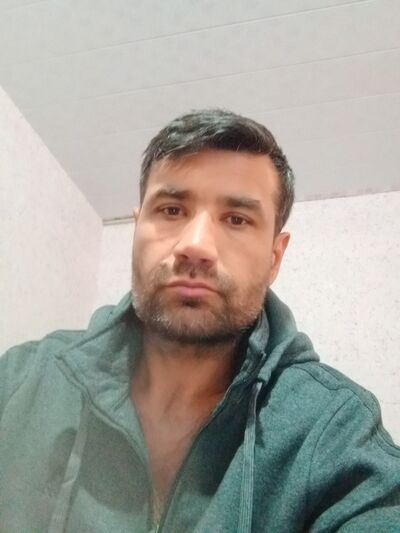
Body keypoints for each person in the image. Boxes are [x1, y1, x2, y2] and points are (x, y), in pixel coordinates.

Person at [1, 109, 399, 533]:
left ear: (274, 257)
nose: (196, 245)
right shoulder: (23, 379)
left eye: (237, 219)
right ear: (137, 230)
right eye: (172, 210)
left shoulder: (336, 429)